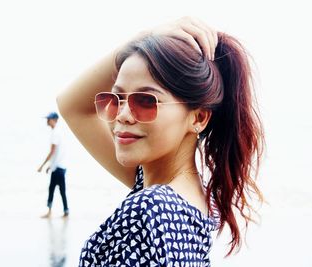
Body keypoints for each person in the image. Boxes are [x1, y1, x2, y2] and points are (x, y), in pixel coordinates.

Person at [57, 17, 264, 266]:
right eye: (117, 98)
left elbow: (70, 106)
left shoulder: (150, 209)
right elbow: (72, 106)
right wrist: (145, 38)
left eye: (145, 101)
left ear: (198, 117)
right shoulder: (191, 198)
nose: (122, 115)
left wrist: (144, 37)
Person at [38, 112, 70, 218]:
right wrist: (50, 166)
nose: (47, 121)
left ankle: (51, 211)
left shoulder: (56, 133)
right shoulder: (58, 132)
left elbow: (52, 151)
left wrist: (42, 165)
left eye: (49, 119)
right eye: (47, 119)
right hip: (60, 166)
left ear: (55, 120)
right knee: (60, 190)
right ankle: (65, 210)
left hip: (58, 168)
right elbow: (57, 153)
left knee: (53, 189)